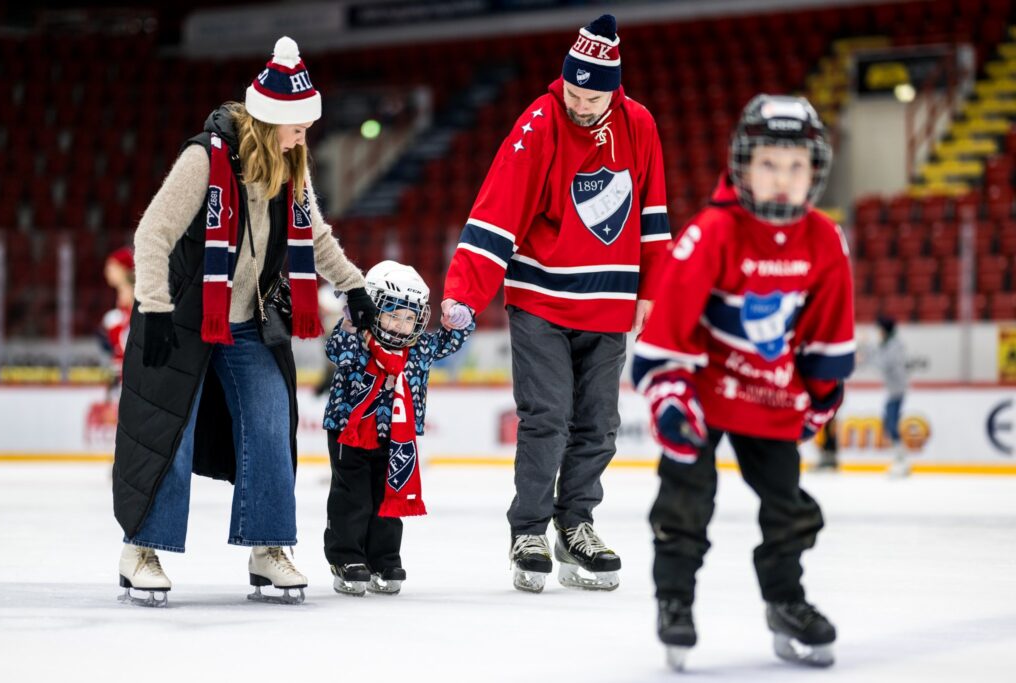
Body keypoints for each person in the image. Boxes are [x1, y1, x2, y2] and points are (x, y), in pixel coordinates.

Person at [112, 36, 378, 607]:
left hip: (250, 322)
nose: (306, 132)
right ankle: (142, 548)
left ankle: (268, 548)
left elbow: (316, 237)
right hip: (182, 319)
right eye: (298, 123)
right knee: (170, 432)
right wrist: (153, 308)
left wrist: (353, 284)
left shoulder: (289, 167)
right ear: (269, 120)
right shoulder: (203, 160)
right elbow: (151, 234)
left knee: (271, 420)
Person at [440, 14, 671, 593]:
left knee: (600, 425)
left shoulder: (639, 124)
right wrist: (463, 293)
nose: (580, 103)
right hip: (541, 299)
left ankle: (577, 524)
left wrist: (654, 294)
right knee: (547, 419)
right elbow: (497, 211)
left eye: (592, 95)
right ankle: (530, 530)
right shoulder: (538, 124)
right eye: (572, 90)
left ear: (613, 89)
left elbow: (652, 214)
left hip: (609, 305)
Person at [632, 94, 855, 670]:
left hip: (771, 395)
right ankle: (675, 602)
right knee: (685, 501)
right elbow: (670, 325)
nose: (783, 180)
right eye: (770, 164)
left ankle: (786, 601)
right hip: (704, 393)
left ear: (816, 171)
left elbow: (827, 331)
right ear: (743, 166)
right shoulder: (712, 233)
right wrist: (670, 393)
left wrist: (823, 390)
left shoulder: (826, 241)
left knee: (791, 508)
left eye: (797, 167)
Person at [322, 260, 474, 596]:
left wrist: (460, 319)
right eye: (393, 314)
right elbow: (336, 350)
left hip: (395, 439)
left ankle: (384, 558)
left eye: (409, 317)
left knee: (389, 498)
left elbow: (449, 342)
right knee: (354, 497)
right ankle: (347, 558)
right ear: (373, 308)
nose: (401, 325)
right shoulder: (359, 339)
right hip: (350, 431)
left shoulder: (419, 348)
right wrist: (348, 323)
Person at [867, 315, 909, 477]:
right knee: (889, 423)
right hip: (893, 390)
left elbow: (884, 364)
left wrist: (869, 354)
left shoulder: (894, 346)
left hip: (897, 390)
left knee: (892, 424)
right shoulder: (887, 344)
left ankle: (901, 461)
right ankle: (900, 459)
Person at [99, 246, 135, 394]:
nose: (107, 272)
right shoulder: (121, 300)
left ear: (123, 268)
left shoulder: (132, 297)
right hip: (121, 374)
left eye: (111, 267)